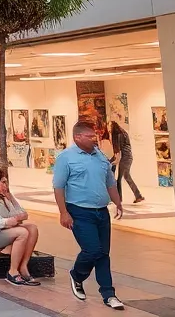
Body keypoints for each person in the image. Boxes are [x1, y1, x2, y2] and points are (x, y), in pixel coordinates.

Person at [54, 121, 125, 311]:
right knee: (93, 250)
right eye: (90, 136)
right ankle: (77, 275)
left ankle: (109, 294)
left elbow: (110, 181)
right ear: (77, 137)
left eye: (95, 136)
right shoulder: (66, 158)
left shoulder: (100, 156)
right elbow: (59, 187)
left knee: (103, 254)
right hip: (79, 211)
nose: (95, 139)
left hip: (101, 211)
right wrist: (63, 212)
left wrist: (117, 202)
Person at [109, 121, 144, 204]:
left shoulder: (118, 135)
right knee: (127, 177)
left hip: (124, 158)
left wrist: (113, 160)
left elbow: (119, 150)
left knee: (119, 179)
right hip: (128, 157)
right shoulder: (124, 133)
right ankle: (138, 195)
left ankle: (119, 199)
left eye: (110, 126)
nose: (109, 128)